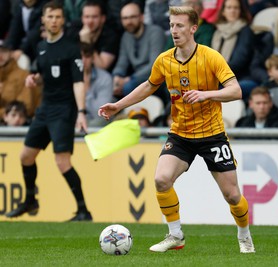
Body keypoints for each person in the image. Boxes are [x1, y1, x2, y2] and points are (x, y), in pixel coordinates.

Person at [98, 6, 255, 253]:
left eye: (180, 25)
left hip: (212, 135)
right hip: (180, 134)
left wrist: (206, 95)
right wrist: (118, 105)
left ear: (193, 29)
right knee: (161, 179)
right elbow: (148, 86)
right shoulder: (165, 60)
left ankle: (244, 236)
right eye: (171, 25)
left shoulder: (210, 56)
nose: (174, 30)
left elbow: (236, 90)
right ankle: (175, 235)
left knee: (232, 195)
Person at [5, 1, 92, 221]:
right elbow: (42, 73)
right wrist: (33, 78)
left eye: (58, 17)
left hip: (64, 109)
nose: (54, 21)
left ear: (63, 20)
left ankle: (83, 210)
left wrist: (81, 112)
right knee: (25, 156)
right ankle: (30, 200)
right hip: (45, 108)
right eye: (50, 17)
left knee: (62, 162)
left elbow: (78, 82)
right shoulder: (41, 46)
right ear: (43, 19)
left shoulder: (72, 48)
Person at [112, 1, 166, 99]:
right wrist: (117, 77)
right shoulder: (126, 36)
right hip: (136, 79)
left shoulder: (155, 32)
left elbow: (155, 65)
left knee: (128, 87)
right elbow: (122, 62)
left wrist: (130, 79)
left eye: (133, 17)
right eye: (125, 18)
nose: (129, 22)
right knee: (111, 86)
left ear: (141, 17)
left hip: (156, 79)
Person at [0, 39, 41, 119]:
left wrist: (6, 114)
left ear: (11, 53)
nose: (0, 55)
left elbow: (25, 108)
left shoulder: (23, 75)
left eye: (3, 51)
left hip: (17, 125)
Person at [5, 0, 48, 65]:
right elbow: (13, 30)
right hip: (22, 44)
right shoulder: (19, 5)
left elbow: (35, 33)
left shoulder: (45, 7)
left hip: (37, 47)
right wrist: (7, 49)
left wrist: (21, 50)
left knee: (23, 61)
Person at [82, 51, 113, 127]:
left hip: (95, 123)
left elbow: (100, 114)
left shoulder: (105, 78)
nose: (83, 60)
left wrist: (86, 88)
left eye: (87, 56)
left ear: (93, 58)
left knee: (98, 123)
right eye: (80, 57)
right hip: (73, 121)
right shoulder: (66, 77)